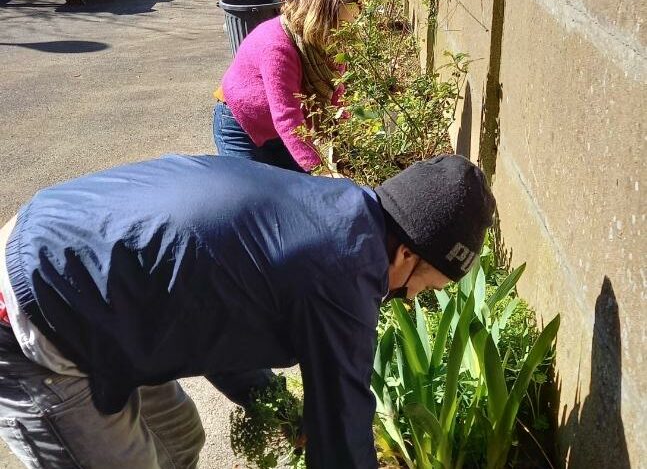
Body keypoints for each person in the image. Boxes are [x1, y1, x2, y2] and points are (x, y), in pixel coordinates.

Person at [0, 152, 494, 469]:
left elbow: (216, 308)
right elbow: (342, 431)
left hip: (89, 270)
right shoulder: (345, 270)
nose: (411, 301)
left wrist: (265, 398)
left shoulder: (335, 211)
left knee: (178, 439)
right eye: (424, 288)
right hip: (41, 319)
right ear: (408, 254)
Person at [214, 0, 361, 173]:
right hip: (241, 126)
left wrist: (347, 146)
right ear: (320, 18)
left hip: (279, 131)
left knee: (296, 192)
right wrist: (319, 170)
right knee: (255, 196)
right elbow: (287, 115)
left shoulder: (330, 44)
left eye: (351, 25)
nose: (346, 33)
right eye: (341, 25)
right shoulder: (277, 47)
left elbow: (337, 97)